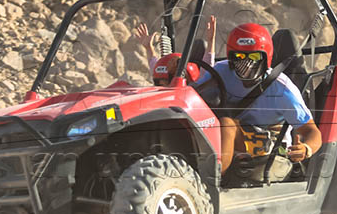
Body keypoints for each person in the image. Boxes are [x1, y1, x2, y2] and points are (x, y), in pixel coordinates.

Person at [197, 23, 322, 181]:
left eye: (254, 57)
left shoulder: (282, 89)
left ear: (266, 57)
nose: (247, 64)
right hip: (234, 137)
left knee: (227, 125)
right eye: (240, 57)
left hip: (272, 148)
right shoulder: (220, 72)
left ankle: (211, 182)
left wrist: (306, 148)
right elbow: (194, 94)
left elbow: (312, 131)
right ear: (231, 58)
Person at [133, 15, 217, 79]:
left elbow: (207, 70)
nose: (162, 84)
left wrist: (211, 41)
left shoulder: (197, 86)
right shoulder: (165, 82)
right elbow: (156, 69)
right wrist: (149, 47)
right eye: (162, 83)